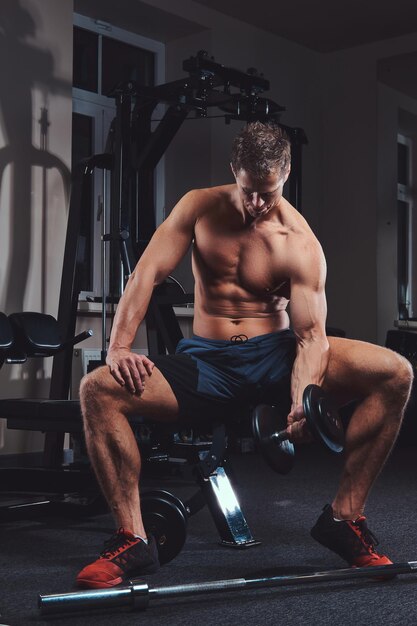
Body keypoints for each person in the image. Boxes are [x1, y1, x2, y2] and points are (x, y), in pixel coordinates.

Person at [76, 121, 413, 589]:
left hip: (275, 355)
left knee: (395, 373)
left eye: (268, 192)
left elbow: (311, 336)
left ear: (286, 174)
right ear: (235, 170)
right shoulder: (199, 207)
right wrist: (118, 347)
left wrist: (302, 399)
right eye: (249, 190)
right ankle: (132, 538)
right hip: (206, 361)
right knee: (97, 390)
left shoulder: (299, 243)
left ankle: (344, 518)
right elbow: (146, 274)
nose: (257, 203)